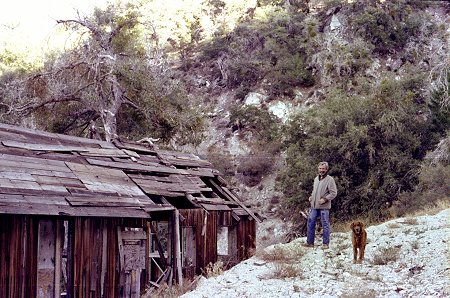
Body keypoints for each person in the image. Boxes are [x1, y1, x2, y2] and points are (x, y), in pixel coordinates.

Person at [303, 161, 337, 249]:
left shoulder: (330, 180)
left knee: (325, 224)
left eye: (323, 169)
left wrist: (325, 199)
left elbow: (334, 193)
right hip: (314, 206)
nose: (321, 170)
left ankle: (326, 244)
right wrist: (311, 196)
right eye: (320, 168)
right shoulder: (316, 179)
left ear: (326, 169)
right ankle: (310, 243)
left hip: (324, 207)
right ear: (318, 169)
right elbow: (315, 190)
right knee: (310, 222)